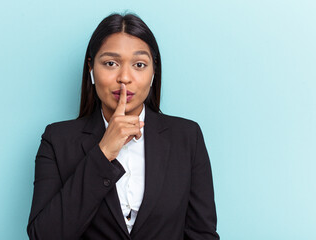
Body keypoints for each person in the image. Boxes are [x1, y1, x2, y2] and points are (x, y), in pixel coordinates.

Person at [27, 12, 220, 240]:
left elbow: (202, 234)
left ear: (153, 72)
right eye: (111, 63)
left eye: (139, 64)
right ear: (91, 68)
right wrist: (103, 153)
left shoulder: (187, 137)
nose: (125, 77)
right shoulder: (57, 140)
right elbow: (44, 235)